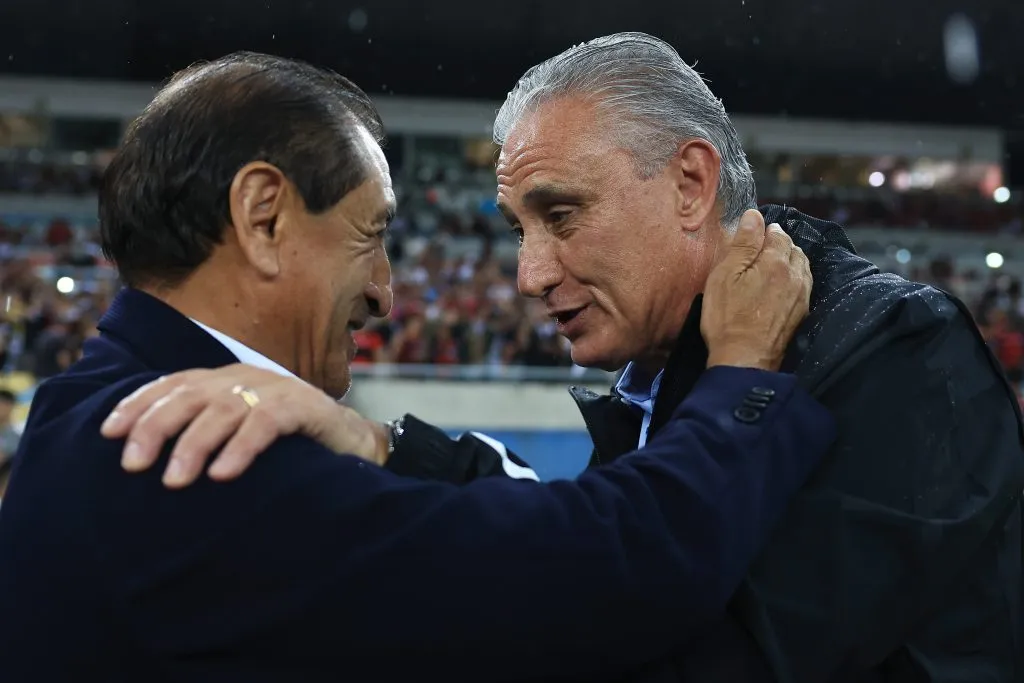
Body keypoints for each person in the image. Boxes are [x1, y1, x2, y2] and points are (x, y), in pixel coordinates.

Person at [122, 34, 1024, 682]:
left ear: (689, 183)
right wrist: (383, 445)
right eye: (520, 229)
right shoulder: (683, 361)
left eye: (560, 216)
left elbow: (666, 646)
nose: (528, 273)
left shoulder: (898, 351)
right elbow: (591, 547)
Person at [0, 52, 836, 683]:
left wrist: (375, 442)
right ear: (263, 217)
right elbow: (611, 573)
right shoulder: (196, 454)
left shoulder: (88, 408)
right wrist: (738, 377)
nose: (385, 294)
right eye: (369, 237)